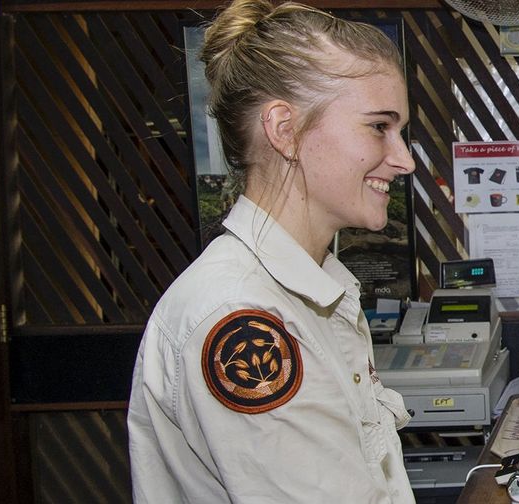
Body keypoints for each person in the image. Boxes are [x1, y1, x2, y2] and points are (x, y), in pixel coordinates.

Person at [127, 1, 421, 501]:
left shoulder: (309, 291)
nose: (404, 160)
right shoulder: (243, 316)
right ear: (284, 130)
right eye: (379, 127)